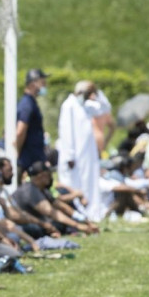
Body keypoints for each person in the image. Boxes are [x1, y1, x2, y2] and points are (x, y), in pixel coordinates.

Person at [12, 161, 99, 236]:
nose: (51, 177)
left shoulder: (42, 189)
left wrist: (87, 222)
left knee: (61, 221)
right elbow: (52, 213)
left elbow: (63, 207)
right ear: (41, 176)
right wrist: (78, 226)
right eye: (48, 174)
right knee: (55, 224)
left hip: (38, 222)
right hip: (24, 226)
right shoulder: (30, 190)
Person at [57, 81, 103, 221]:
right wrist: (70, 155)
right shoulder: (69, 105)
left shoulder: (84, 106)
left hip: (86, 154)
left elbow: (103, 109)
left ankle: (89, 211)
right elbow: (66, 132)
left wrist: (97, 94)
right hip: (74, 156)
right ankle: (77, 214)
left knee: (88, 183)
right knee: (74, 184)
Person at [15, 68, 49, 183]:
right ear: (34, 83)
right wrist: (17, 153)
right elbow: (20, 131)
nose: (45, 86)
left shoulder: (30, 103)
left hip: (33, 157)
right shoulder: (27, 104)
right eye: (42, 83)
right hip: (29, 159)